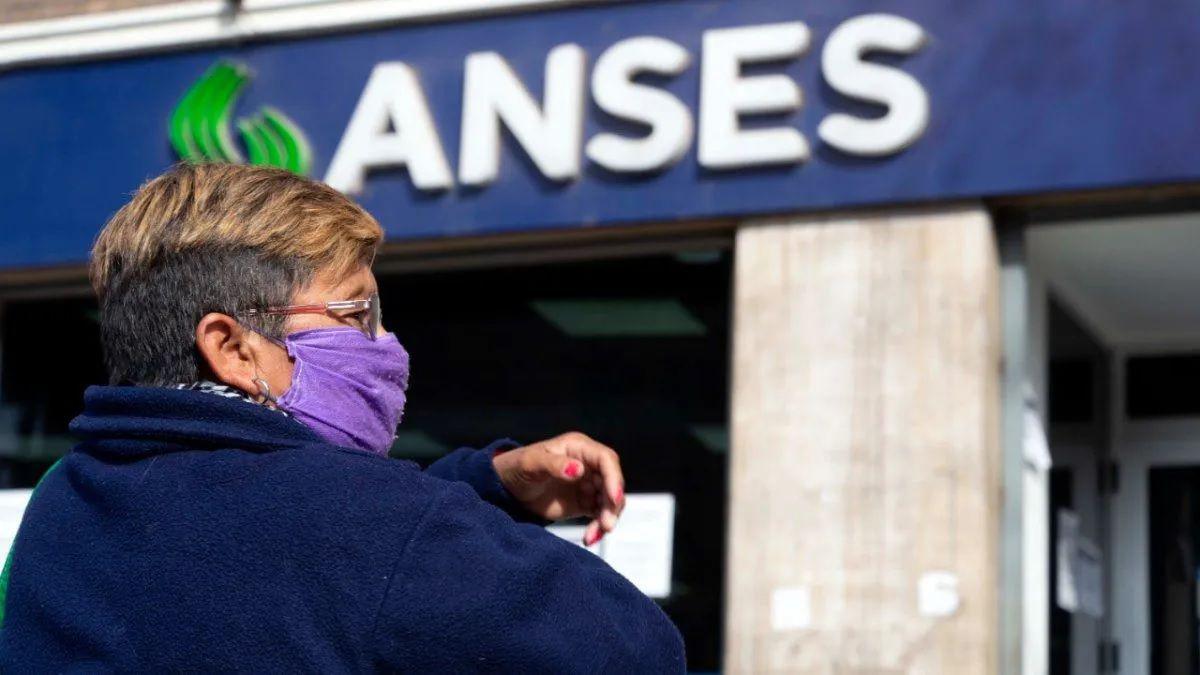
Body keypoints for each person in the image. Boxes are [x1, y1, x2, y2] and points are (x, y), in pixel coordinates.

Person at [0, 163, 685, 671]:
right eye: (357, 313)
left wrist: (486, 481)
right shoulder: (367, 523)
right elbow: (637, 648)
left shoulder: (65, 501)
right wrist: (430, 510)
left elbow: (283, 555)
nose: (383, 342)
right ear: (232, 347)